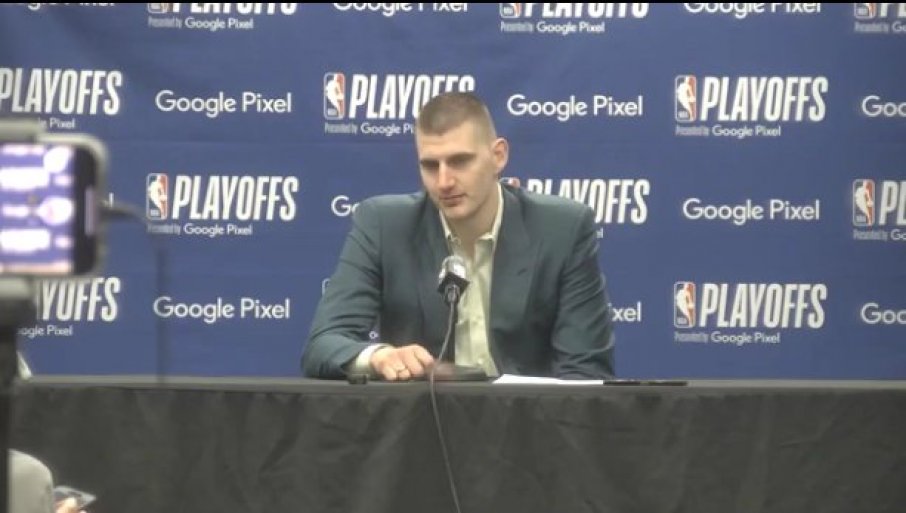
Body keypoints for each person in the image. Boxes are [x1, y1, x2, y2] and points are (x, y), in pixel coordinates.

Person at [302, 91, 614, 381]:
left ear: (498, 156)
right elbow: (323, 344)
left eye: (460, 161)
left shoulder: (563, 229)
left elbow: (585, 372)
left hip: (530, 418)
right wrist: (379, 357)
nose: (444, 181)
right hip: (419, 417)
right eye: (430, 165)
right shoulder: (383, 225)